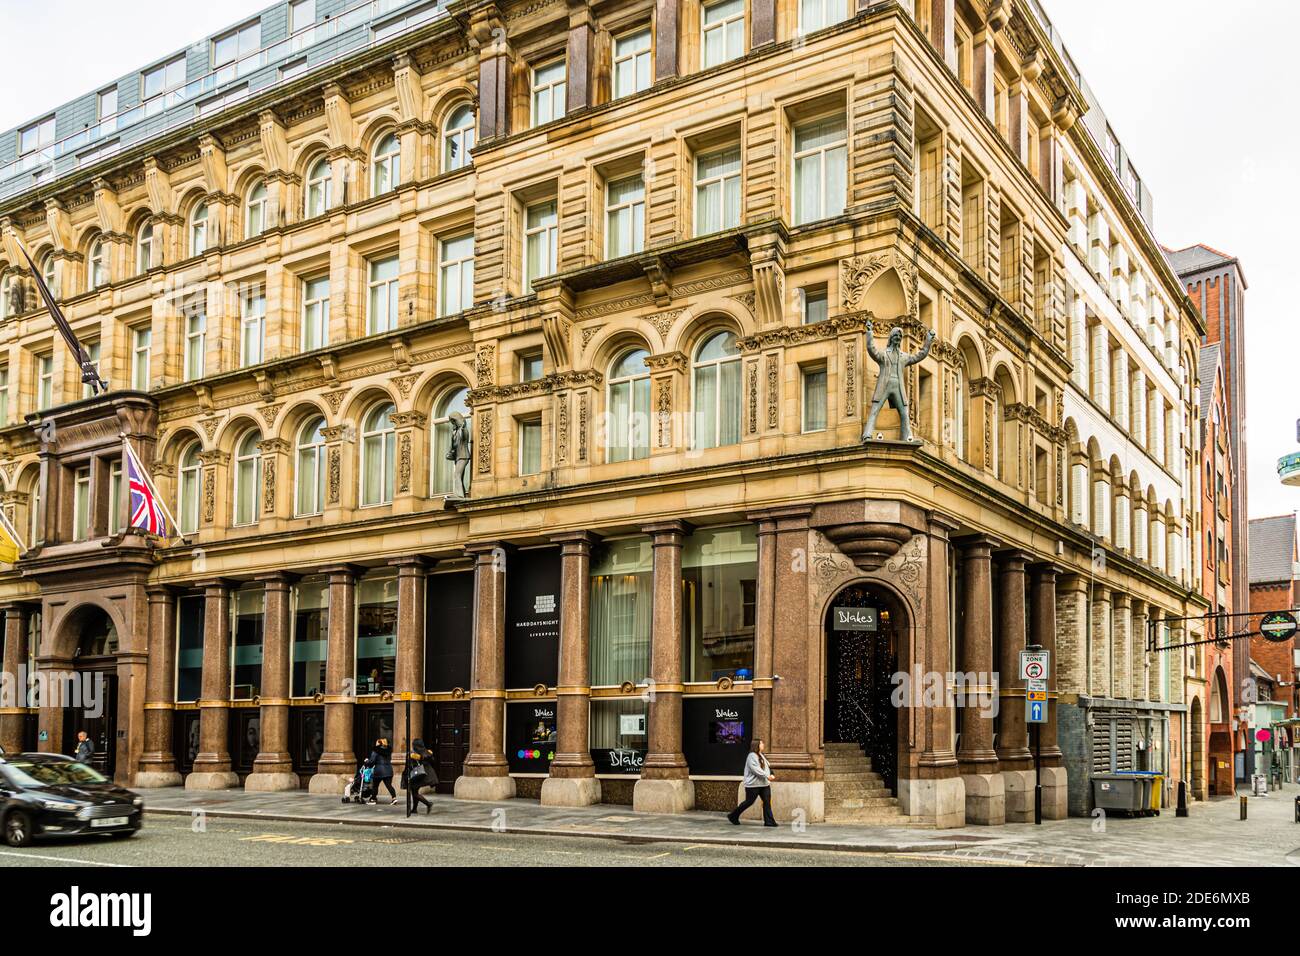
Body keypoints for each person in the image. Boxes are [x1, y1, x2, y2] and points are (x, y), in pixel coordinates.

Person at [727, 739, 777, 827]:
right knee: (749, 802)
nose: (763, 744)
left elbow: (767, 766)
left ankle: (769, 821)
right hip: (753, 785)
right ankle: (733, 815)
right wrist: (767, 776)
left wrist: (771, 773)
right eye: (761, 743)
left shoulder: (761, 755)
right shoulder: (751, 756)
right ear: (756, 745)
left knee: (767, 802)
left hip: (764, 784)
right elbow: (755, 770)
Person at [402, 738, 437, 815]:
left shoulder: (414, 754)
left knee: (414, 792)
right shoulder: (427, 752)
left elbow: (410, 765)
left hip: (418, 774)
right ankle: (414, 809)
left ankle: (428, 804)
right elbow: (433, 760)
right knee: (415, 790)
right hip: (426, 774)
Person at [368, 737, 397, 805]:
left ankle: (373, 799)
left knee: (375, 785)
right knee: (389, 785)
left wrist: (367, 762)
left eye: (376, 742)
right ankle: (394, 798)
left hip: (379, 771)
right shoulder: (388, 751)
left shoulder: (375, 751)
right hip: (389, 770)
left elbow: (372, 761)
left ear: (378, 743)